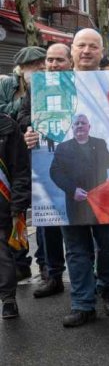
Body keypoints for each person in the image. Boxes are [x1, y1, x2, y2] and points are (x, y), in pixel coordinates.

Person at [56, 28, 109, 328]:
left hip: (107, 195)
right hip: (75, 197)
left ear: (101, 50)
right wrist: (31, 135)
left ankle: (108, 289)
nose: (86, 51)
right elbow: (37, 124)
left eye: (93, 46)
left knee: (108, 245)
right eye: (81, 45)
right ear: (72, 49)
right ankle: (82, 303)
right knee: (77, 250)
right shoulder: (54, 85)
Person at [21, 43, 72, 299]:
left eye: (59, 60)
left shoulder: (86, 84)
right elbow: (22, 116)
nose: (53, 65)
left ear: (70, 62)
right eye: (50, 60)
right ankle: (53, 275)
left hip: (80, 163)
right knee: (49, 225)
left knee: (84, 222)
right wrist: (28, 130)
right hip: (47, 163)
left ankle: (94, 278)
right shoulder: (37, 87)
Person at [1, 46, 44, 281]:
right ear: (22, 68)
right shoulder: (8, 86)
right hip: (13, 153)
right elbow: (2, 111)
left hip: (37, 152)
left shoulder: (49, 83)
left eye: (41, 63)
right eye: (34, 64)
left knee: (37, 207)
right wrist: (21, 105)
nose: (40, 68)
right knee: (17, 208)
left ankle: (35, 261)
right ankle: (19, 260)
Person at [49, 114, 109, 226]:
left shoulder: (100, 143)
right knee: (79, 241)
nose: (80, 125)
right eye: (77, 123)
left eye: (83, 123)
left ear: (89, 127)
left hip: (101, 201)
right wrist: (72, 190)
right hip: (76, 204)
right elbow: (55, 172)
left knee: (106, 239)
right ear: (72, 128)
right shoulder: (62, 148)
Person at [0, 111, 29, 319]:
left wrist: (17, 205)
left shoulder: (8, 127)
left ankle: (8, 298)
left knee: (2, 254)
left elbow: (20, 169)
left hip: (3, 201)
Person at [0, 46, 45, 117]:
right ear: (22, 67)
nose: (42, 67)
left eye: (44, 62)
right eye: (36, 63)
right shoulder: (6, 83)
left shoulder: (51, 82)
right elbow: (2, 111)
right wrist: (27, 97)